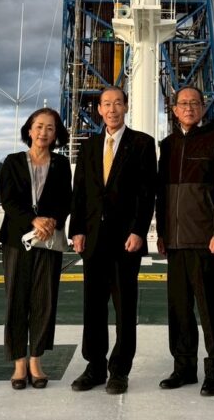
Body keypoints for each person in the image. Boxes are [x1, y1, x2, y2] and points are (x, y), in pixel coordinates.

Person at [69, 87, 157, 395]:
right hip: (93, 238)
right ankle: (94, 366)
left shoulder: (142, 143)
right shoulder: (89, 146)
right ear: (99, 110)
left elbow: (147, 192)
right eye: (106, 104)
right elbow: (80, 191)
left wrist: (138, 231)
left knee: (124, 308)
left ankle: (119, 370)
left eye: (118, 103)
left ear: (126, 107)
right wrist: (77, 230)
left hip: (125, 239)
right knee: (93, 306)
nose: (112, 109)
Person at [155, 85, 214, 397]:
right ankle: (184, 367)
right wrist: (163, 233)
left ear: (203, 108)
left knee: (211, 310)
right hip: (175, 242)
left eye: (194, 103)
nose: (188, 108)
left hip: (206, 240)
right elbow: (162, 194)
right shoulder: (168, 145)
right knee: (179, 310)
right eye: (183, 103)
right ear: (174, 109)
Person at [0, 107, 72, 389]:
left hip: (48, 239)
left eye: (50, 128)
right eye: (39, 126)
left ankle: (36, 361)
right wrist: (34, 220)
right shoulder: (13, 162)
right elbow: (8, 199)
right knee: (16, 300)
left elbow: (66, 199)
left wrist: (51, 221)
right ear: (29, 130)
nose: (43, 132)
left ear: (56, 134)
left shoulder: (61, 164)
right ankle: (19, 362)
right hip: (18, 239)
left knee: (44, 300)